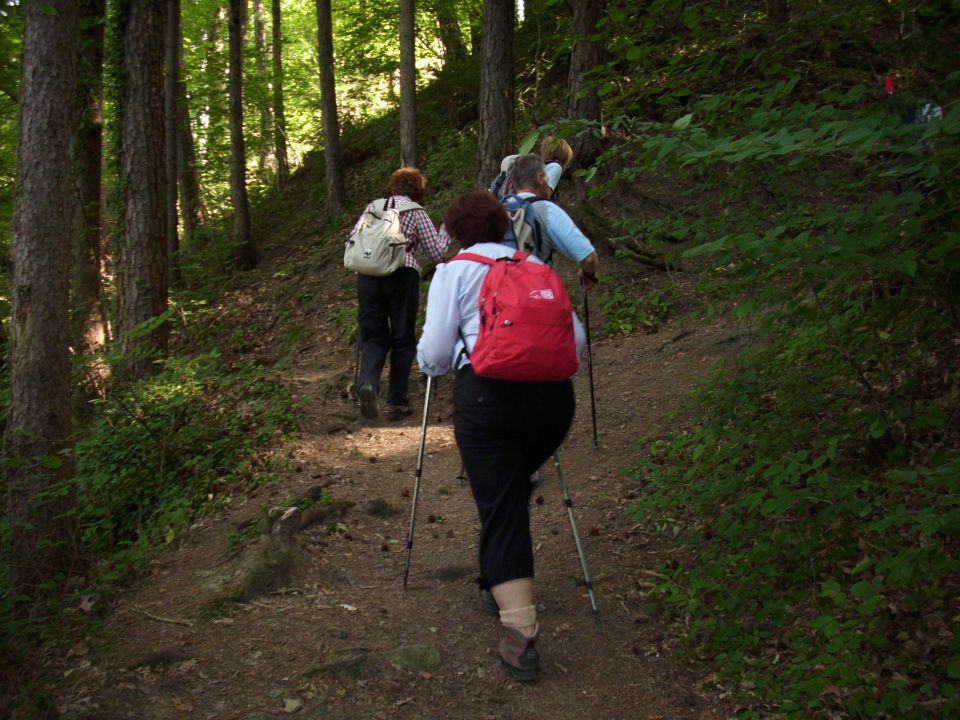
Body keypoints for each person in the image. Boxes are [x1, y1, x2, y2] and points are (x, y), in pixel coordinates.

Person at [416, 192, 586, 681]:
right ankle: (496, 573)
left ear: (452, 232)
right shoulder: (535, 266)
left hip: (489, 401)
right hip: (553, 405)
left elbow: (433, 353)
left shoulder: (454, 271)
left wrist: (436, 365)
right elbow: (575, 341)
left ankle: (521, 634)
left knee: (502, 506)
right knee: (508, 491)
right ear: (501, 227)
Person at [351, 167, 448, 422]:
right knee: (403, 339)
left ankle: (368, 384)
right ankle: (397, 402)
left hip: (368, 277)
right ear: (418, 189)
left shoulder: (373, 207)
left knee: (373, 336)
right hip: (401, 276)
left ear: (392, 186)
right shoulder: (416, 212)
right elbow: (437, 253)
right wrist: (446, 231)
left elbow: (354, 239)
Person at [502, 154, 599, 289]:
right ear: (540, 179)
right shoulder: (546, 209)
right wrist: (588, 275)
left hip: (500, 297)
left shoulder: (498, 210)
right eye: (547, 178)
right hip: (534, 296)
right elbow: (588, 257)